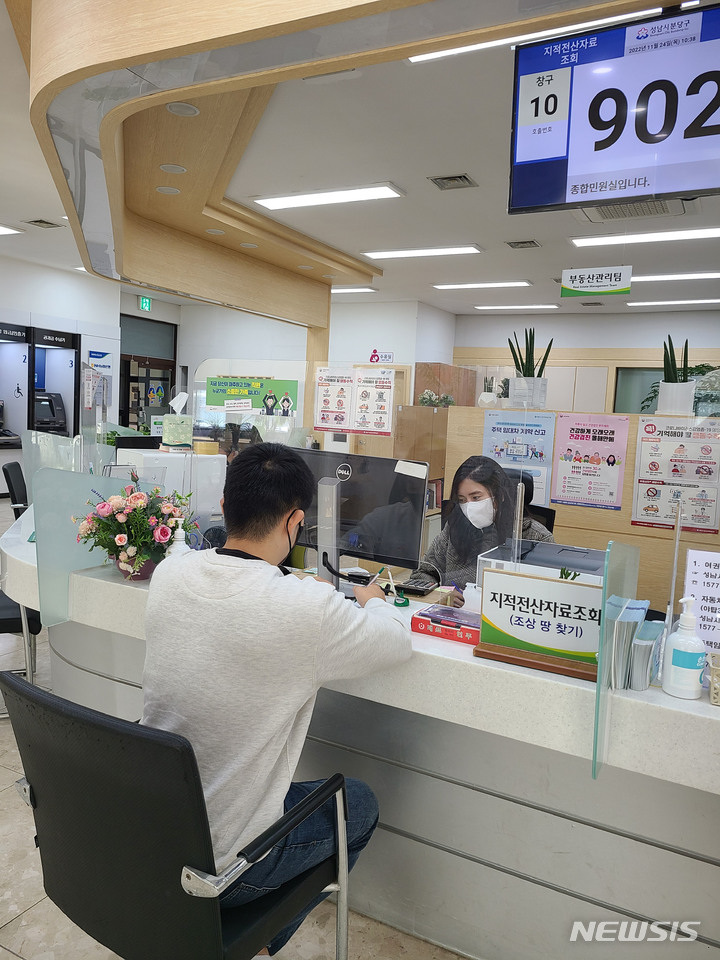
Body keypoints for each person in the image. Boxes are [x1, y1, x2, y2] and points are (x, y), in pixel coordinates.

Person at [142, 442, 411, 956]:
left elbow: (236, 589)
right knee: (358, 804)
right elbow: (396, 642)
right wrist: (376, 601)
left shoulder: (171, 575)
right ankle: (262, 935)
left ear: (224, 508)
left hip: (158, 836)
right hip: (227, 867)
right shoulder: (304, 609)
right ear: (296, 522)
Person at [407, 456, 554, 606]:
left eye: (476, 497)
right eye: (462, 500)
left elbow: (549, 594)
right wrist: (441, 593)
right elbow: (422, 573)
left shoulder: (535, 537)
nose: (469, 507)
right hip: (456, 616)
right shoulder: (454, 528)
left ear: (500, 496)